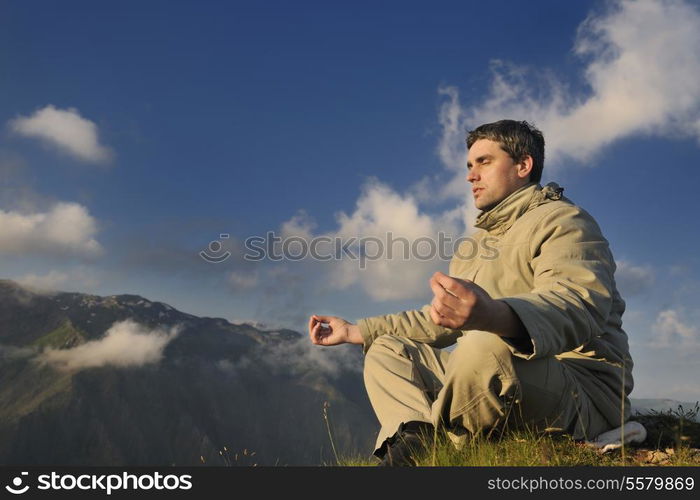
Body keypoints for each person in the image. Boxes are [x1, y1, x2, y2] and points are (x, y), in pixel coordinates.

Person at [308, 120, 633, 466]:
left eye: (484, 162)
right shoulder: (474, 246)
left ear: (523, 166)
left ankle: (444, 447)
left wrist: (495, 316)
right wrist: (355, 331)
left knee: (484, 343)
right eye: (468, 165)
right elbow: (442, 319)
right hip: (501, 373)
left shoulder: (566, 222)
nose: (470, 176)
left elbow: (576, 302)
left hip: (581, 388)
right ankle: (414, 441)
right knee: (387, 349)